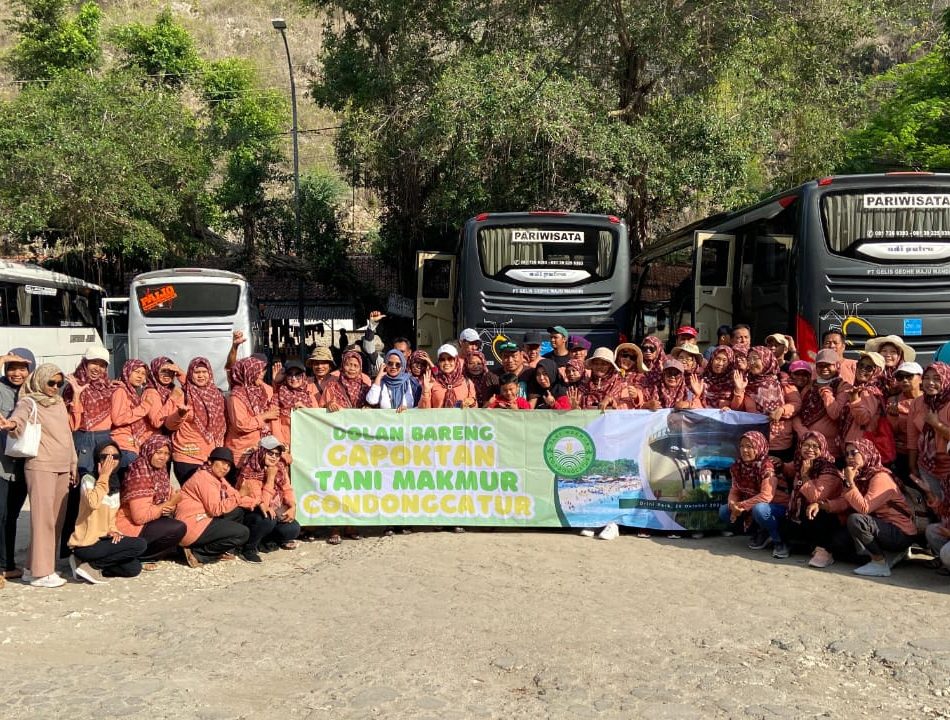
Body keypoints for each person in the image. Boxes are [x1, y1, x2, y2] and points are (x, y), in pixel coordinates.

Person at [7, 364, 76, 587]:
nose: (55, 388)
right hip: (41, 466)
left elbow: (67, 435)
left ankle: (32, 568)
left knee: (56, 520)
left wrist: (72, 463)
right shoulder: (29, 401)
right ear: (40, 380)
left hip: (63, 466)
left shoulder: (58, 403)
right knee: (42, 519)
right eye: (51, 383)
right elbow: (19, 419)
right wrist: (11, 424)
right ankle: (42, 572)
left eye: (59, 383)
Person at [827, 439, 918, 577]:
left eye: (854, 453)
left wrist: (850, 482)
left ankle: (880, 563)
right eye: (847, 454)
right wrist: (826, 506)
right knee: (839, 542)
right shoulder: (861, 476)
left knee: (856, 520)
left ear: (866, 453)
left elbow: (864, 508)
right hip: (881, 527)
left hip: (900, 532)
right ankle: (891, 556)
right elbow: (847, 502)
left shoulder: (880, 476)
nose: (850, 457)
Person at [68, 442, 149, 582]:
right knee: (140, 544)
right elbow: (93, 503)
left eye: (115, 457)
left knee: (133, 568)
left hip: (103, 541)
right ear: (97, 459)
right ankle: (91, 565)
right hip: (86, 544)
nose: (110, 461)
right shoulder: (88, 480)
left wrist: (113, 531)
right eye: (105, 456)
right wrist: (103, 476)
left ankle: (84, 566)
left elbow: (111, 518)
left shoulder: (116, 485)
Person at [176, 447, 255, 567]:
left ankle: (223, 550)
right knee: (243, 533)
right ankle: (198, 553)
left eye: (228, 465)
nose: (225, 468)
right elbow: (215, 509)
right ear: (210, 462)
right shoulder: (203, 477)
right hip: (193, 523)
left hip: (204, 517)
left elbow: (234, 496)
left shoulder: (218, 478)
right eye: (223, 463)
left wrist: (258, 503)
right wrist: (241, 494)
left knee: (237, 511)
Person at [720, 431, 791, 559]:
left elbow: (766, 496)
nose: (744, 450)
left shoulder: (767, 466)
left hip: (778, 508)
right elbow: (735, 490)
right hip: (753, 505)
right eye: (742, 446)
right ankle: (762, 532)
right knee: (725, 511)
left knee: (760, 509)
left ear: (759, 447)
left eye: (750, 446)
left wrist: (741, 505)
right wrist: (733, 505)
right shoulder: (739, 466)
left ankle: (780, 542)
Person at [115, 435, 186, 562]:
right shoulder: (140, 473)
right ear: (149, 450)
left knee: (179, 528)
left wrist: (168, 506)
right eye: (158, 452)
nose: (163, 457)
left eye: (166, 453)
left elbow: (171, 497)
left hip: (151, 519)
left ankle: (144, 555)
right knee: (177, 528)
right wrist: (167, 504)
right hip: (131, 527)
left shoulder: (160, 472)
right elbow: (139, 517)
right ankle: (139, 556)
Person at [782, 432, 843, 569]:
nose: (810, 449)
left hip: (829, 518)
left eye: (815, 446)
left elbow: (816, 497)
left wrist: (805, 476)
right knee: (785, 520)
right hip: (805, 515)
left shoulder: (828, 469)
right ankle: (805, 545)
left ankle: (824, 550)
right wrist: (778, 463)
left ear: (822, 449)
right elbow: (788, 469)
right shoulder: (800, 462)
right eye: (806, 445)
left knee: (816, 510)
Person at [235, 437, 301, 561]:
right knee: (267, 519)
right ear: (261, 452)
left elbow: (287, 489)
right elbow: (262, 504)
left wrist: (292, 506)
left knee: (293, 529)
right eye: (270, 453)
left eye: (277, 454)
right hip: (252, 511)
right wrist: (270, 479)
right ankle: (248, 548)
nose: (274, 457)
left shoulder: (279, 468)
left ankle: (265, 540)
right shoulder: (250, 470)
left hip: (272, 510)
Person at [0, 348, 33, 581]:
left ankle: (7, 563)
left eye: (22, 368)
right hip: (1, 464)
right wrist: (4, 358)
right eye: (12, 368)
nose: (16, 373)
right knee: (1, 514)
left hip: (24, 464)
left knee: (11, 515)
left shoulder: (34, 392)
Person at [166, 357, 226, 484]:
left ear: (210, 373)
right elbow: (169, 425)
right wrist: (180, 414)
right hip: (188, 457)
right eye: (197, 372)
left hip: (210, 457)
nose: (201, 376)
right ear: (191, 374)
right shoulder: (183, 394)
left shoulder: (216, 394)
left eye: (204, 372)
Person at [735, 346, 801, 461]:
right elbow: (737, 410)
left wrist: (782, 410)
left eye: (756, 358)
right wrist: (739, 390)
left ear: (766, 359)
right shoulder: (745, 380)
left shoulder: (782, 379)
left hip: (779, 443)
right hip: (753, 443)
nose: (751, 362)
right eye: (749, 359)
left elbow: (796, 403)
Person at [792, 349, 849, 459]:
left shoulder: (843, 386)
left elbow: (836, 413)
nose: (824, 369)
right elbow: (796, 413)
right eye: (820, 365)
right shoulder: (809, 386)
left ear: (837, 365)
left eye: (828, 365)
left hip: (830, 448)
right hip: (806, 445)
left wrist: (826, 393)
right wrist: (804, 433)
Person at [907, 361, 950, 502]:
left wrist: (936, 424)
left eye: (937, 379)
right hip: (926, 466)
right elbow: (912, 438)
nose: (930, 383)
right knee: (936, 505)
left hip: (948, 467)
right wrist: (912, 466)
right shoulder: (917, 403)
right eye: (927, 378)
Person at [225, 357, 278, 467]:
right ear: (248, 372)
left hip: (260, 450)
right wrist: (264, 416)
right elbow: (240, 424)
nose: (262, 374)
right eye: (258, 371)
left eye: (263, 370)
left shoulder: (261, 391)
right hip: (242, 452)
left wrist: (276, 382)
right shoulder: (237, 396)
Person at [831, 350, 887, 450]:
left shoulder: (870, 392)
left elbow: (863, 419)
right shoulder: (858, 389)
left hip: (860, 448)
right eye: (860, 365)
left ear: (877, 372)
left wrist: (854, 398)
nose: (862, 370)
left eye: (869, 368)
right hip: (852, 446)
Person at [110, 359, 156, 468]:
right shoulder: (120, 391)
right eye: (136, 372)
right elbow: (118, 419)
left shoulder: (132, 393)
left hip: (131, 445)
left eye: (143, 374)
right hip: (123, 447)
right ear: (127, 371)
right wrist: (144, 407)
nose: (140, 376)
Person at [888, 361, 923, 481]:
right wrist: (893, 417)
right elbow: (890, 432)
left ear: (920, 378)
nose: (904, 380)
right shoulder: (893, 401)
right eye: (900, 377)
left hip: (924, 454)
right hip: (901, 454)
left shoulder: (929, 400)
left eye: (909, 376)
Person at [274, 359, 320, 446]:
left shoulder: (309, 396)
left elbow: (317, 419)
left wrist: (305, 410)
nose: (294, 378)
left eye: (297, 374)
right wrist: (280, 444)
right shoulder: (277, 397)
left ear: (303, 376)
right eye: (290, 375)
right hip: (286, 443)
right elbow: (274, 423)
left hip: (306, 442)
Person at [420, 344, 478, 408]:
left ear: (456, 360)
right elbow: (425, 413)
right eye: (442, 359)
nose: (446, 363)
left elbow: (474, 410)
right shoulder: (432, 382)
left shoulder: (467, 383)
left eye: (450, 359)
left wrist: (472, 402)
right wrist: (425, 392)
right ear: (439, 362)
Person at [143, 357, 186, 434]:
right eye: (163, 371)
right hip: (156, 435)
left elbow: (195, 392)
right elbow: (157, 422)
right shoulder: (151, 392)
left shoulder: (173, 389)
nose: (167, 374)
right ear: (155, 371)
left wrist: (180, 373)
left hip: (175, 433)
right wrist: (172, 399)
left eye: (170, 371)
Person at [866, 334, 916, 399]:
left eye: (893, 352)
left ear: (900, 356)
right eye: (884, 351)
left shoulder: (906, 375)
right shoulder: (870, 371)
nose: (888, 355)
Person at [699, 346, 742, 410]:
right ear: (712, 359)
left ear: (730, 362)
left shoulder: (734, 381)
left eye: (724, 360)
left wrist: (729, 408)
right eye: (717, 359)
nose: (720, 363)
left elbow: (738, 407)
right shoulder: (703, 379)